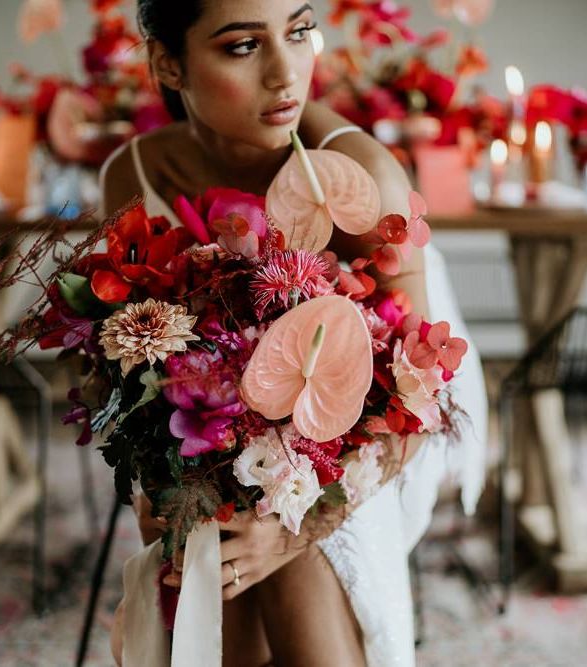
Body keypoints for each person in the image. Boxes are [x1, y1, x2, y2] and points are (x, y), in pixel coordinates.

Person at [97, 2, 488, 665]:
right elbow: (121, 362)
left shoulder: (362, 175)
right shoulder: (131, 176)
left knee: (279, 572)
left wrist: (297, 524)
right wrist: (154, 489)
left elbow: (417, 403)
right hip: (216, 437)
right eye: (243, 47)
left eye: (299, 31)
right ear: (168, 62)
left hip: (372, 443)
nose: (287, 73)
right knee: (215, 555)